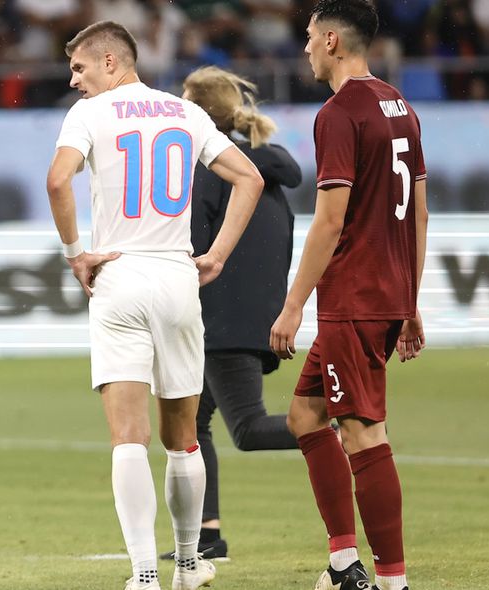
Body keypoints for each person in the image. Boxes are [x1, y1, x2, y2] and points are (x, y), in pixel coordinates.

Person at [47, 21, 264, 590]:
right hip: (176, 276)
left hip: (119, 275)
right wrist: (214, 256)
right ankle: (189, 565)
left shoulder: (89, 117)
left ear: (113, 62)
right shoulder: (185, 114)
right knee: (184, 436)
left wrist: (76, 254)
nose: (75, 82)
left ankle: (145, 573)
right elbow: (250, 178)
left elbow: (56, 181)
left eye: (80, 68)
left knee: (127, 437)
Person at [269, 2, 428, 590]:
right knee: (305, 417)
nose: (305, 48)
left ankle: (393, 581)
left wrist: (292, 306)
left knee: (361, 430)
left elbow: (329, 220)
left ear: (332, 40)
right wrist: (409, 299)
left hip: (354, 295)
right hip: (386, 290)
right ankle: (342, 564)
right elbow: (420, 211)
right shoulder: (399, 105)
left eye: (310, 38)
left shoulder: (339, 113)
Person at [159, 66, 302, 562]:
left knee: (247, 428)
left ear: (197, 111)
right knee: (191, 423)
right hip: (255, 313)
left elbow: (193, 241)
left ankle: (342, 426)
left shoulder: (210, 168)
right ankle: (207, 535)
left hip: (220, 318)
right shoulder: (269, 168)